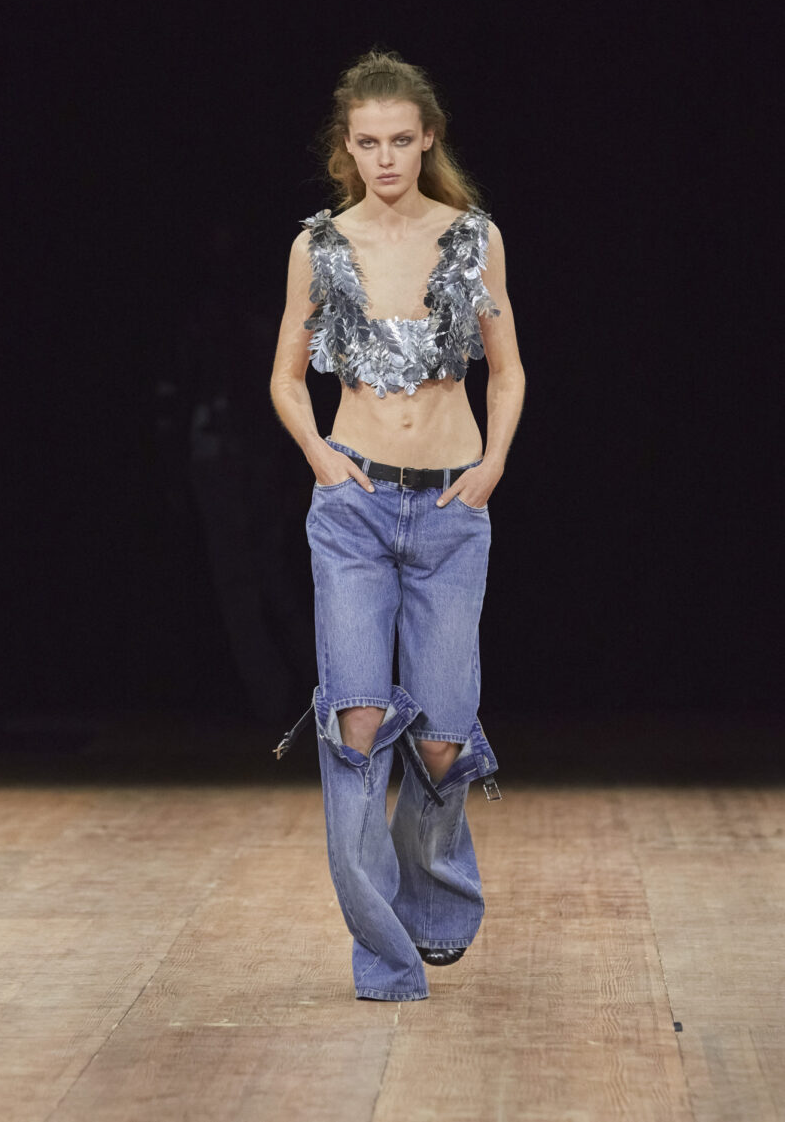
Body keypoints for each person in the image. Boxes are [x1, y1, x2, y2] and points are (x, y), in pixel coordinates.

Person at [269, 49, 526, 1002]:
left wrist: (492, 467)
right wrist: (319, 455)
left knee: (444, 736)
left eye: (401, 141)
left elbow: (509, 369)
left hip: (453, 509)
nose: (385, 158)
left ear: (428, 141)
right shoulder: (319, 247)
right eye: (368, 142)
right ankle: (384, 953)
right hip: (355, 509)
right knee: (357, 724)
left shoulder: (474, 239)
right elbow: (285, 376)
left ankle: (432, 899)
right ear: (347, 146)